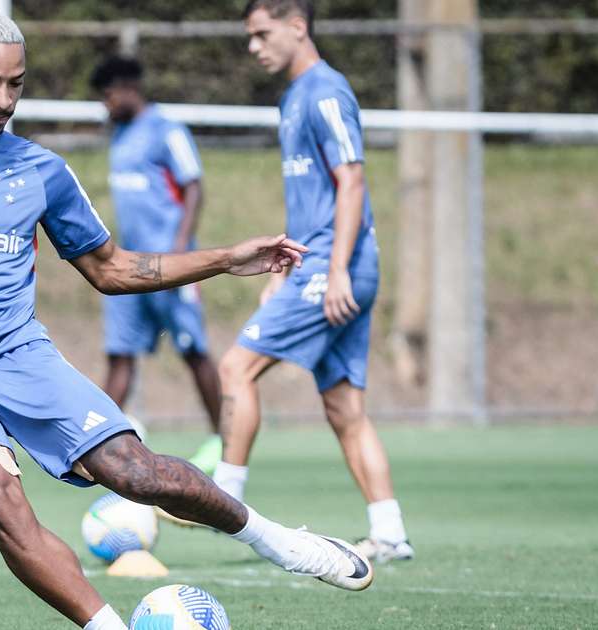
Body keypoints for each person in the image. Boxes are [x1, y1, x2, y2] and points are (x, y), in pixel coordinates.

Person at [0, 10, 372, 629]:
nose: (3, 99)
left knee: (135, 473)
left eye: (16, 84)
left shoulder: (42, 171)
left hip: (22, 360)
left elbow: (113, 269)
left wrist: (225, 260)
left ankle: (280, 543)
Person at [215, 0, 413, 563]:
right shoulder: (293, 97)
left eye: (261, 34)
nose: (254, 46)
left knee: (237, 366)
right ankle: (390, 531)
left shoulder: (325, 91)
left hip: (337, 262)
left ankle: (222, 499)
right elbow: (313, 199)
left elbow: (350, 181)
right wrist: (288, 267)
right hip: (321, 261)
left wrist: (335, 269)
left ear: (297, 27)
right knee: (344, 407)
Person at [89, 56, 226, 475]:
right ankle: (91, 448)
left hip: (170, 268)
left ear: (129, 88)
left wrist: (181, 250)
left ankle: (227, 442)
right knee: (120, 356)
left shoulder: (167, 131)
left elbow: (194, 187)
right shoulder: (120, 137)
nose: (105, 105)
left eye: (108, 95)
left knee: (193, 351)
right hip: (127, 267)